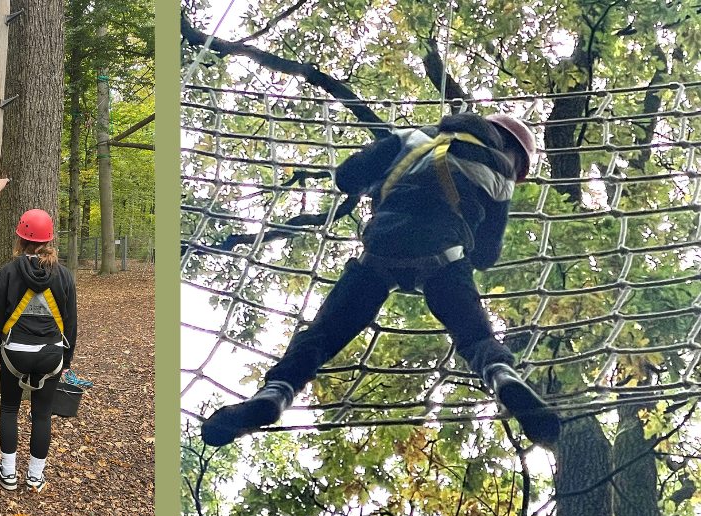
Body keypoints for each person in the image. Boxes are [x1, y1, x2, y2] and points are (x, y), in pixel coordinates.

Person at [200, 113, 562, 449]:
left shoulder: (413, 137)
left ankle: (276, 392)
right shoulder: (500, 174)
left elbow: (347, 176)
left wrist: (379, 179)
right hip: (445, 257)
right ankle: (502, 376)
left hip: (380, 251)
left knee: (322, 336)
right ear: (514, 158)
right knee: (476, 338)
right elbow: (486, 256)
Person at [0, 209, 77, 492]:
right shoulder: (62, 276)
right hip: (51, 354)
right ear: (50, 239)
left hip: (14, 353)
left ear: (20, 238)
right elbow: (71, 323)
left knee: (10, 408)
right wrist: (66, 360)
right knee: (42, 413)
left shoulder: (7, 273)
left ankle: (9, 474)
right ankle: (35, 476)